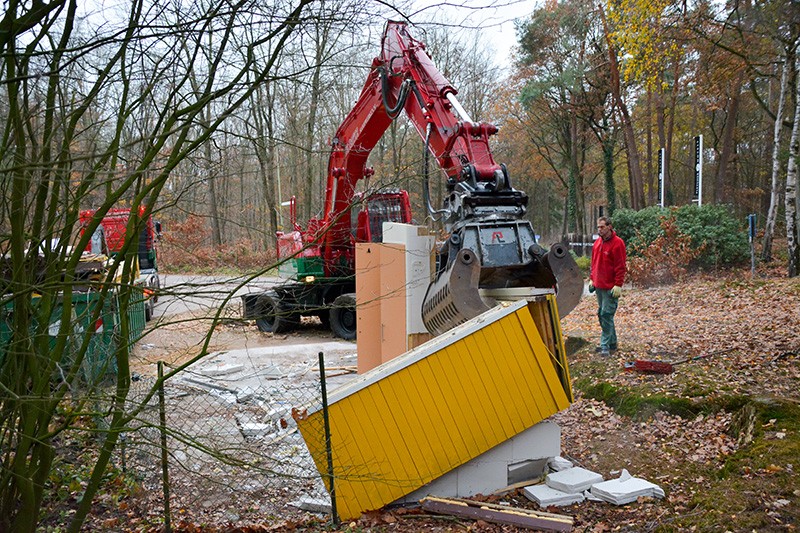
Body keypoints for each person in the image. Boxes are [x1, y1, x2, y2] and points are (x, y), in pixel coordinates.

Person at [588, 216, 627, 356]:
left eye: (602, 227)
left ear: (609, 227)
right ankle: (612, 343)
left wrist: (618, 284)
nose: (600, 229)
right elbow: (593, 263)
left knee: (605, 314)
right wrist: (592, 279)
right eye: (598, 227)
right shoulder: (597, 243)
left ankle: (604, 345)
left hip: (610, 287)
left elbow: (620, 266)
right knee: (604, 315)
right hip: (599, 286)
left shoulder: (618, 244)